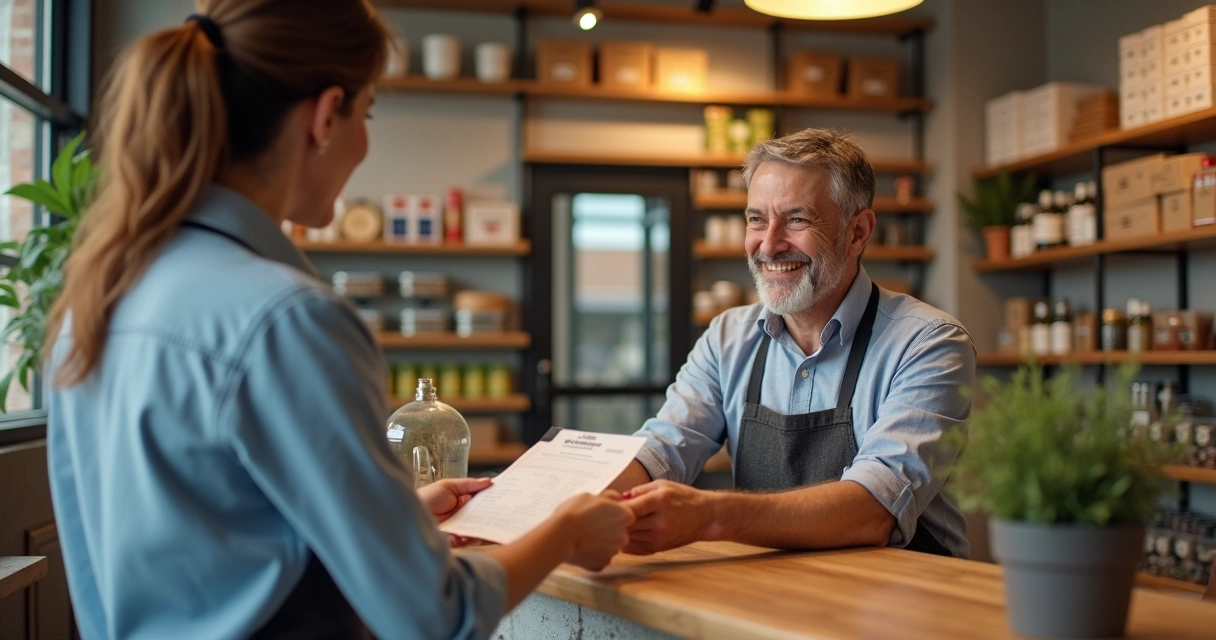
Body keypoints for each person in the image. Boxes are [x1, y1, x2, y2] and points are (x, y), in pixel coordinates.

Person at [45, 2, 633, 638]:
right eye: (367, 112)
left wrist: (392, 517)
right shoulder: (289, 320)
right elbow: (434, 614)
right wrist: (567, 531)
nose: (364, 140)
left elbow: (208, 535)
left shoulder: (97, 301)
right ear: (326, 116)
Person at [612, 129, 975, 559]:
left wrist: (710, 515)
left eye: (797, 219)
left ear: (857, 231)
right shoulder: (727, 338)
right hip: (773, 594)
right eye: (756, 219)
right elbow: (662, 449)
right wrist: (581, 499)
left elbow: (873, 508)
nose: (768, 244)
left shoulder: (928, 343)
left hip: (903, 604)